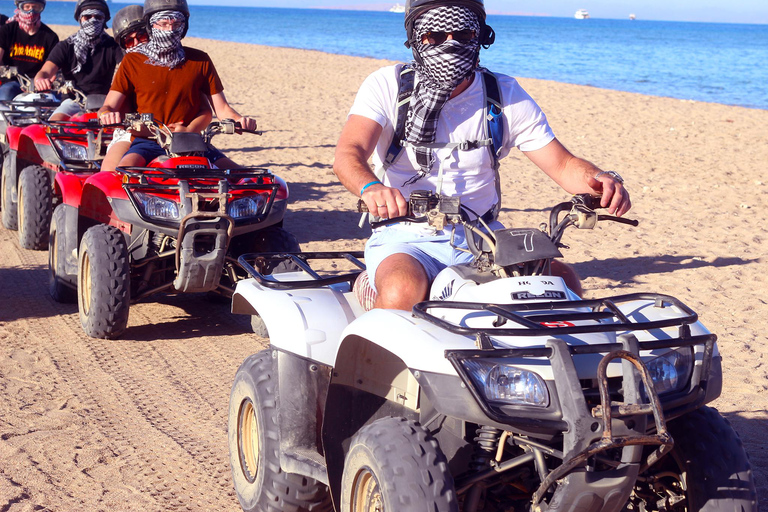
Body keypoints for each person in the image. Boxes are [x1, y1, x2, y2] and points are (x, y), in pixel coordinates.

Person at [333, 0, 631, 310]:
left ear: (481, 37)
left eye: (463, 34)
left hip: (483, 237)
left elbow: (563, 164)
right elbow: (347, 155)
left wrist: (599, 180)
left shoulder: (503, 94)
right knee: (401, 290)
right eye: (434, 36)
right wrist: (371, 188)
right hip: (406, 236)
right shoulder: (387, 86)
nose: (450, 45)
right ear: (415, 38)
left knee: (562, 284)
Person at [98, 0, 256, 172]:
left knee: (242, 176)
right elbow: (109, 105)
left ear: (185, 26)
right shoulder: (132, 62)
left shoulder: (200, 60)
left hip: (192, 141)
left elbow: (222, 108)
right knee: (122, 174)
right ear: (151, 25)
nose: (170, 29)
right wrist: (107, 114)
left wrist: (240, 120)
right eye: (163, 23)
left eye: (177, 23)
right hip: (149, 141)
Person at [33, 0, 122, 121]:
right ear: (80, 19)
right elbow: (45, 71)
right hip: (73, 101)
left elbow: (126, 69)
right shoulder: (66, 46)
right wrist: (41, 80)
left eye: (98, 17)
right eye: (87, 17)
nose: (92, 20)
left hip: (105, 103)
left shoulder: (113, 46)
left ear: (104, 20)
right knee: (55, 124)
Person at [0, 0, 58, 102]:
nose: (31, 12)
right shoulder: (7, 30)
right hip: (11, 82)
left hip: (38, 85)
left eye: (36, 7)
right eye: (26, 7)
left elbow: (52, 68)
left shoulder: (50, 37)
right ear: (19, 7)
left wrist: (44, 83)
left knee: (52, 102)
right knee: (6, 95)